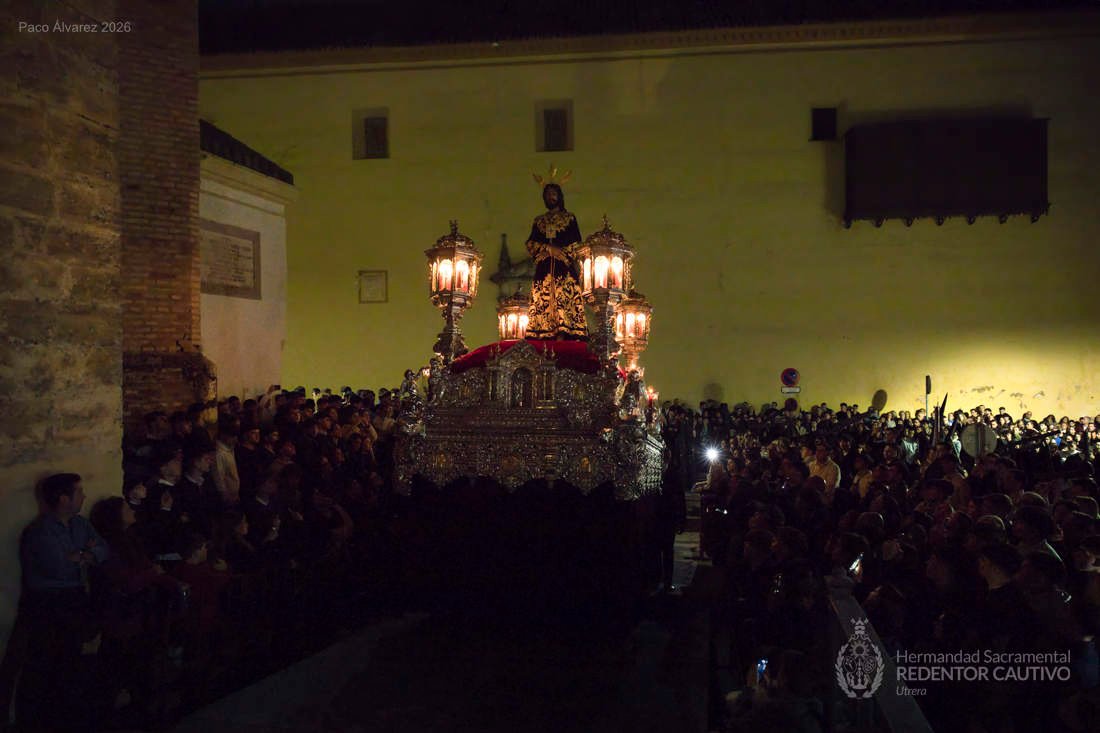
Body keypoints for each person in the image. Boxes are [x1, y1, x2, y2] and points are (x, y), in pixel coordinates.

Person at [524, 176, 587, 341]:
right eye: (547, 195)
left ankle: (565, 329)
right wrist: (547, 249)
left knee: (564, 295)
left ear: (559, 196)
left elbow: (577, 244)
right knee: (542, 296)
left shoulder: (569, 218)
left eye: (553, 194)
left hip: (563, 266)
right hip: (544, 267)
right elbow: (531, 243)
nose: (550, 197)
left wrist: (561, 253)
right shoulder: (539, 221)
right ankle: (542, 330)